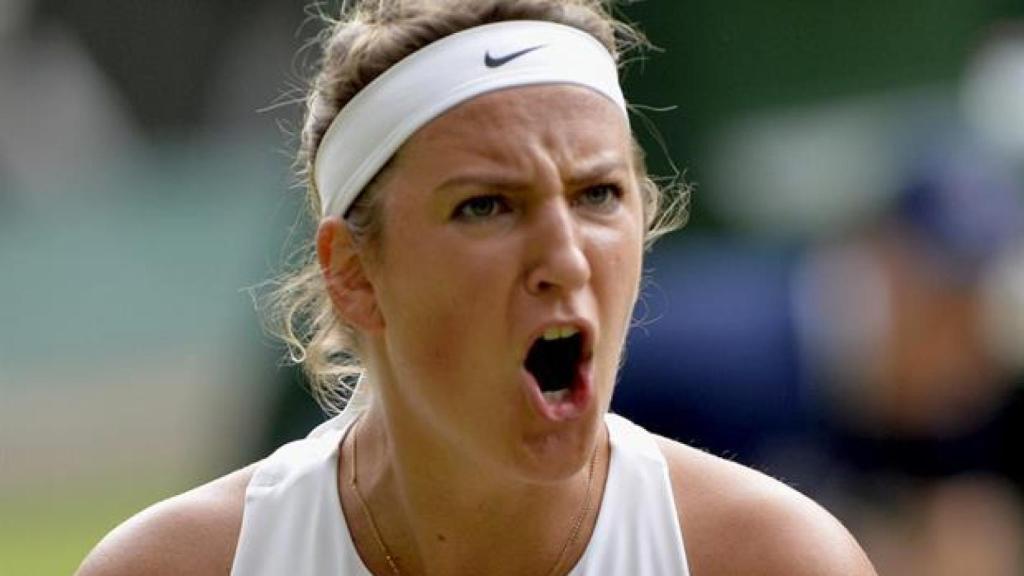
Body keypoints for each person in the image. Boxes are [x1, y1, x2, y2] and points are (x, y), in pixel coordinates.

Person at [76, 1, 877, 574]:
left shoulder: (770, 559)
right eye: (486, 205)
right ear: (353, 274)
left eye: (598, 194)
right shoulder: (181, 566)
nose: (564, 257)